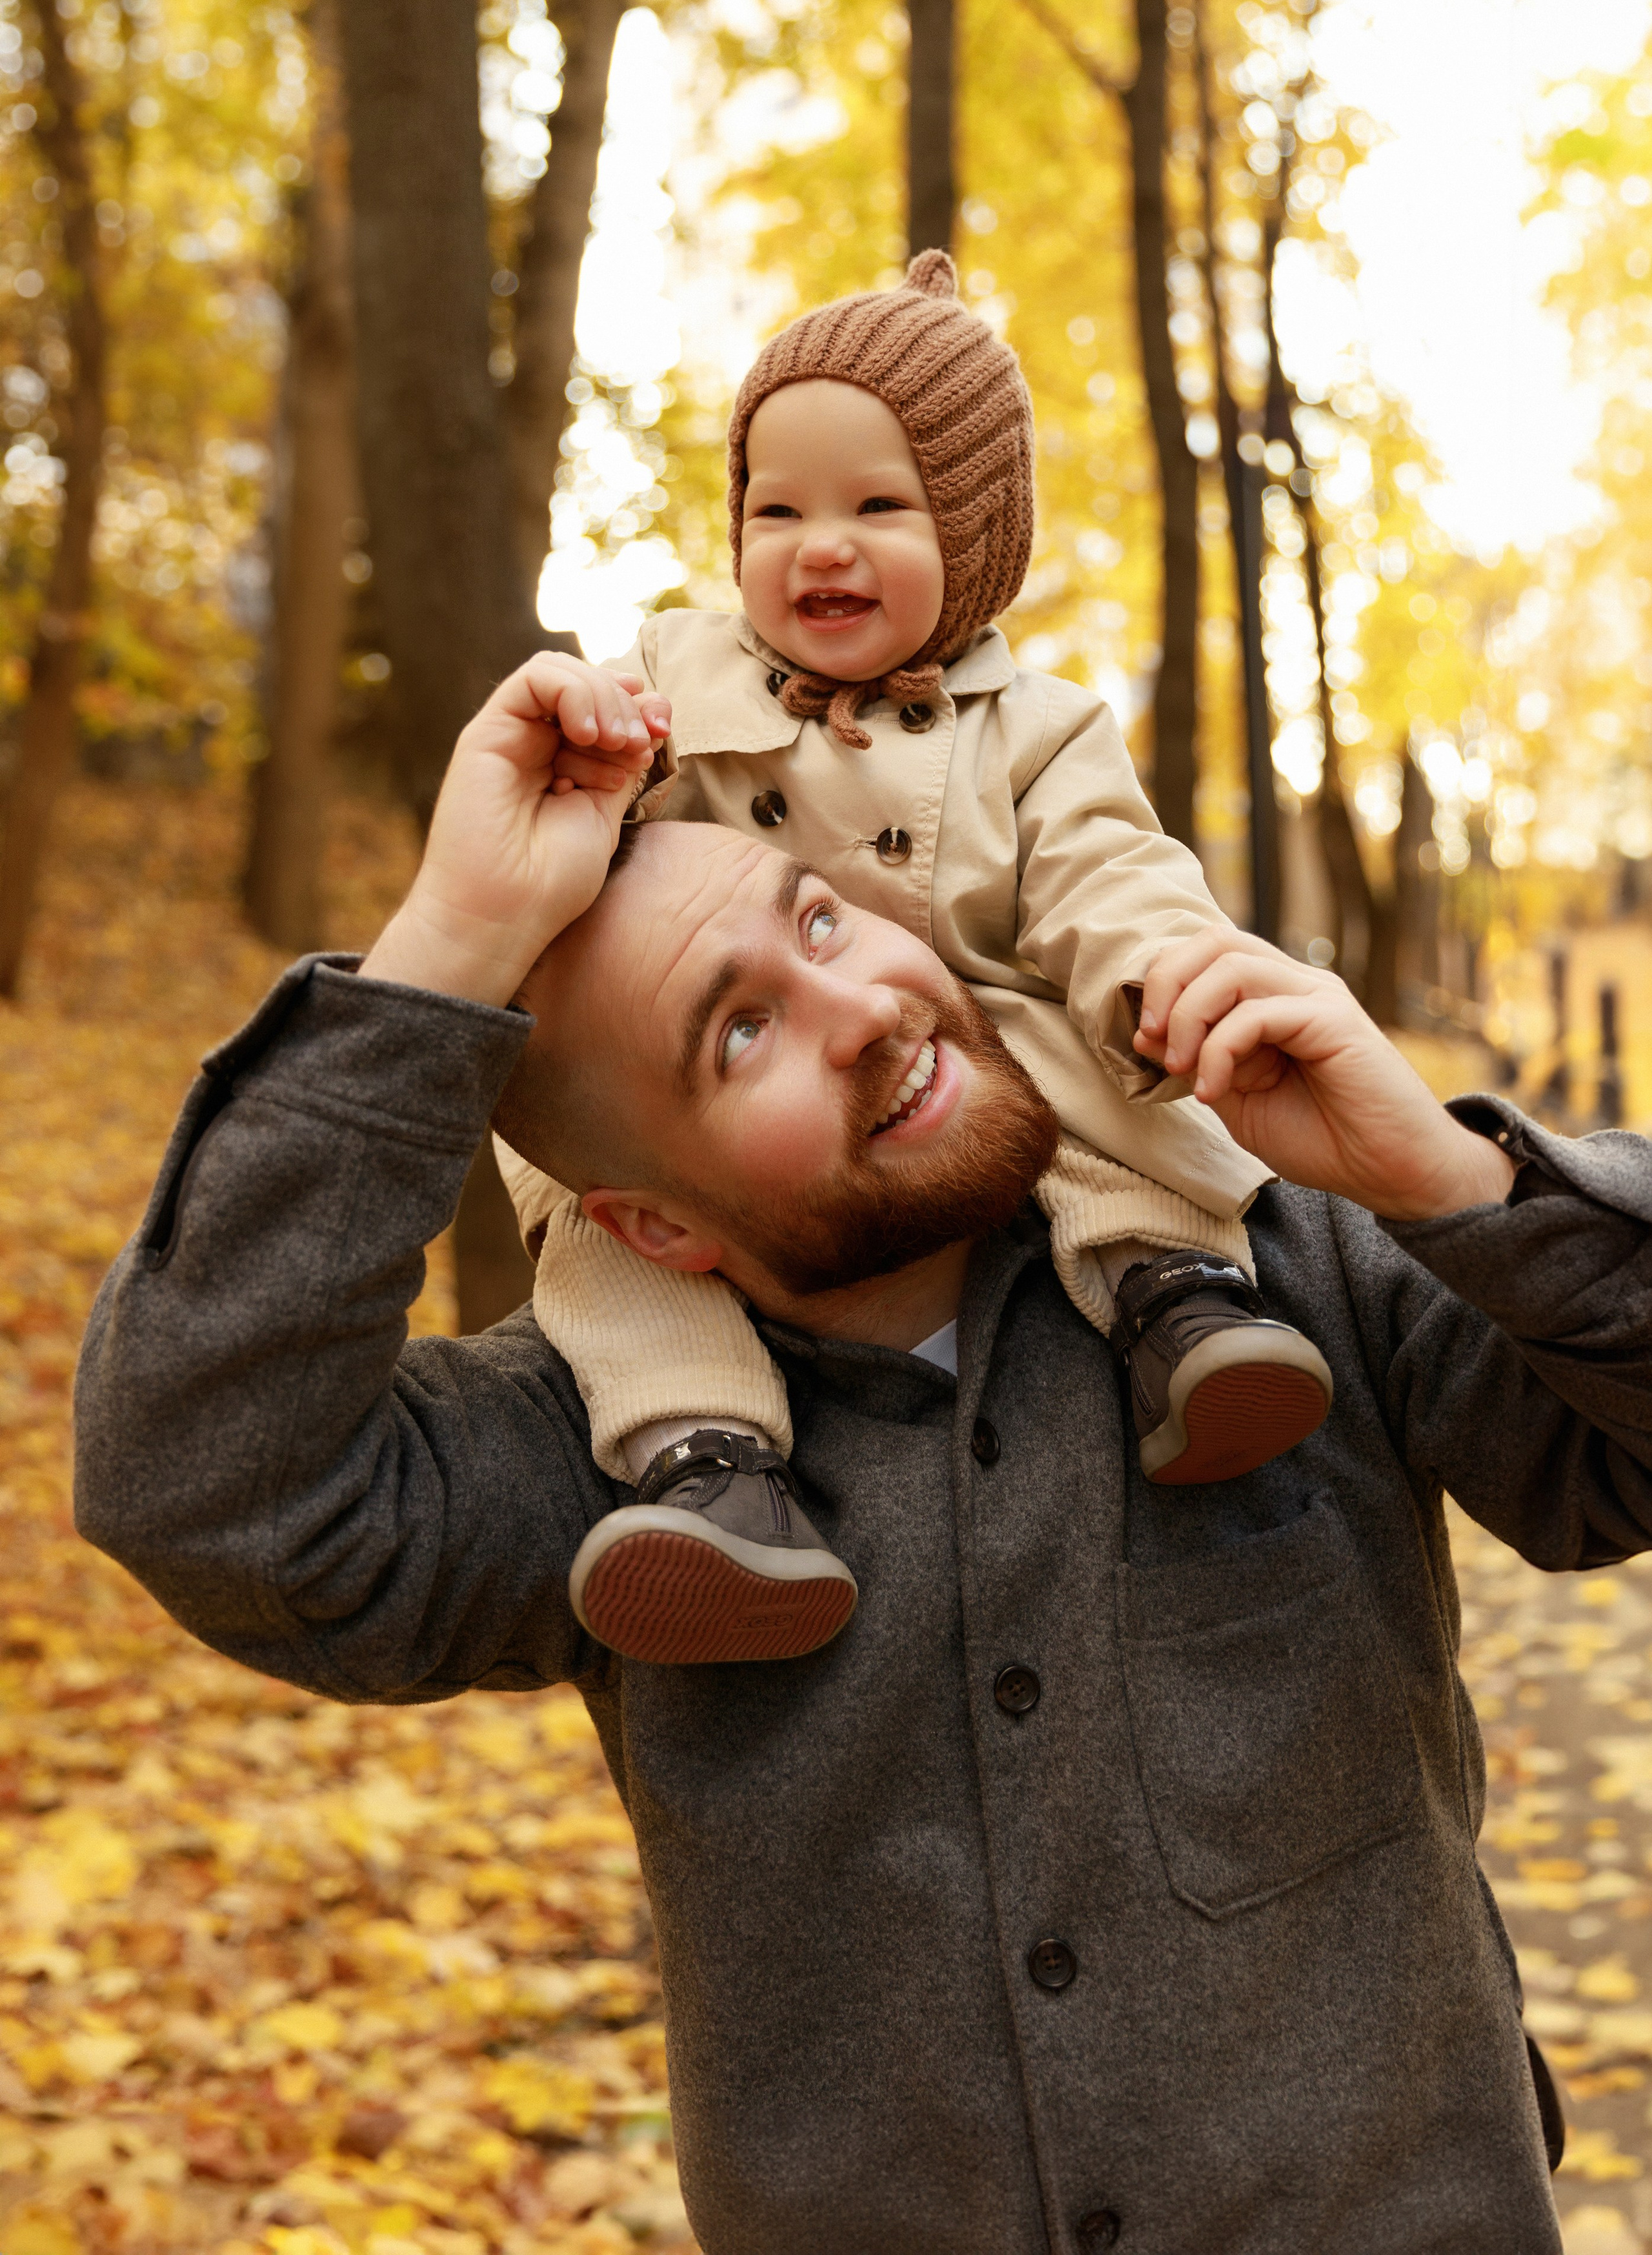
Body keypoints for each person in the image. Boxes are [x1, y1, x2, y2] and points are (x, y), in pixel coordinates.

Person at [76, 652, 1652, 2254]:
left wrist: (1447, 1178)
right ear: (649, 1224)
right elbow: (206, 1481)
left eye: (816, 920)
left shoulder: (1268, 1248)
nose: (860, 1010)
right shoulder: (611, 1455)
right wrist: (447, 946)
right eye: (739, 1031)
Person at [507, 248, 1333, 1665]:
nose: (819, 545)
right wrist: (585, 740)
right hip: (731, 1112)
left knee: (1107, 1088)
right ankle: (704, 1467)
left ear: (975, 531)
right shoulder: (675, 684)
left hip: (988, 1028)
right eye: (778, 509)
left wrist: (1153, 969)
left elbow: (1105, 871)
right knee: (600, 1206)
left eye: (877, 506)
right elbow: (590, 855)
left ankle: (1176, 1300)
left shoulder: (1029, 728)